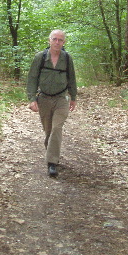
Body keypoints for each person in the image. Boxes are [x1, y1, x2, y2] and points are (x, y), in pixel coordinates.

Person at [26, 29, 77, 177]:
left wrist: (73, 97)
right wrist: (32, 99)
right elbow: (32, 79)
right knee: (48, 130)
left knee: (56, 128)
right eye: (54, 39)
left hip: (61, 98)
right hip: (44, 98)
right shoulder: (40, 58)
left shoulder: (67, 59)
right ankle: (51, 153)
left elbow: (72, 79)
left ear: (64, 42)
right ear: (49, 40)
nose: (57, 42)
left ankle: (52, 163)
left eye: (60, 40)